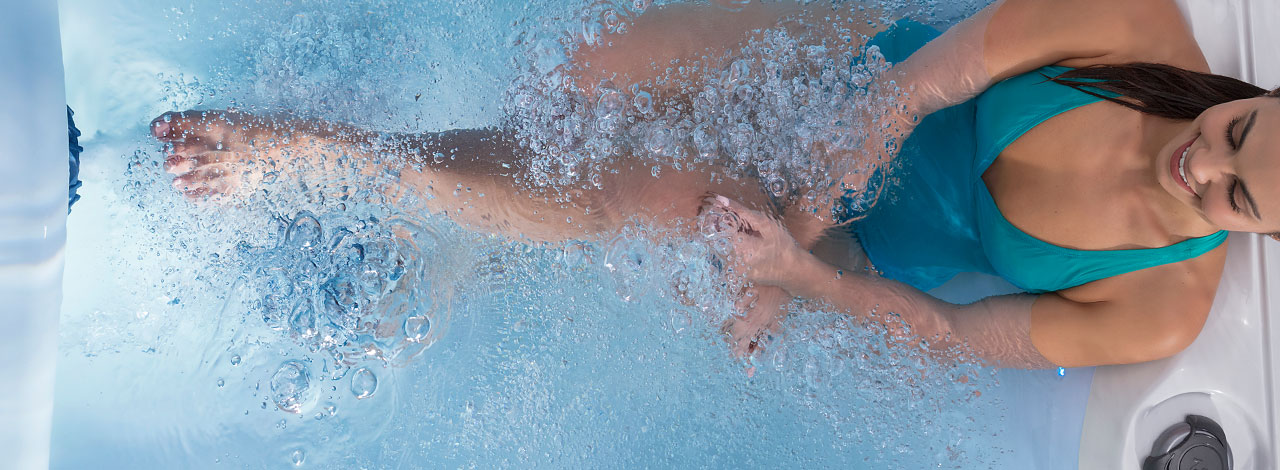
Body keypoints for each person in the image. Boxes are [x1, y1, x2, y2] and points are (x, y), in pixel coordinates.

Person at [150, 0, 1280, 369]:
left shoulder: (1160, 303)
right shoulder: (1141, 30)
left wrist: (794, 271)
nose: (1200, 160)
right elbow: (893, 104)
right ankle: (476, 232)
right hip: (848, 68)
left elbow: (947, 327)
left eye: (1230, 193)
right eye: (1234, 129)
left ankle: (339, 156)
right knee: (581, 77)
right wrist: (785, 235)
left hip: (856, 250)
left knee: (650, 189)